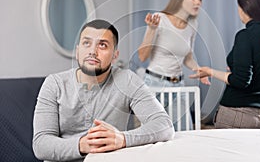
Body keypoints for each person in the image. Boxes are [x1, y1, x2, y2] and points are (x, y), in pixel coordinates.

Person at [32, 19, 174, 162]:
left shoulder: (127, 80)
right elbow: (41, 145)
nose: (93, 52)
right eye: (86, 43)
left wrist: (123, 139)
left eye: (102, 45)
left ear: (114, 56)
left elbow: (164, 125)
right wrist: (82, 145)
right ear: (78, 51)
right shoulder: (54, 84)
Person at [190, 0, 260, 129]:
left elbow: (241, 81)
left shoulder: (245, 36)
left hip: (237, 114)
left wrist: (210, 72)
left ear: (245, 7)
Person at [137, 0, 209, 130]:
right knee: (155, 133)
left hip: (178, 84)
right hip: (155, 83)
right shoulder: (160, 19)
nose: (198, 2)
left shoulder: (193, 25)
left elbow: (188, 58)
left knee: (185, 130)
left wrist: (199, 70)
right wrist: (151, 29)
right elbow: (142, 56)